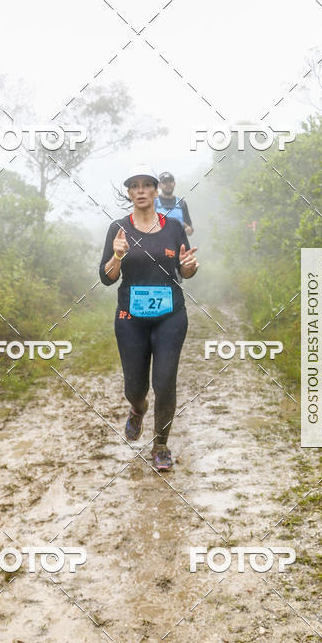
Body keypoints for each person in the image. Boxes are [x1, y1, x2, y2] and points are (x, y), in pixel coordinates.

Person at [99, 165, 199, 471]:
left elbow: (185, 271)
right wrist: (117, 256)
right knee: (136, 388)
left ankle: (160, 446)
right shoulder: (118, 228)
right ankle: (137, 409)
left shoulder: (172, 227)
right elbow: (106, 278)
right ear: (129, 194)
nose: (141, 190)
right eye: (135, 186)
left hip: (171, 315)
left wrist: (189, 266)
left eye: (147, 185)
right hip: (131, 317)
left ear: (156, 191)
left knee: (165, 381)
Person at [156, 171, 194, 236]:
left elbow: (190, 228)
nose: (168, 184)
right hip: (159, 244)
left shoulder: (182, 203)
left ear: (174, 184)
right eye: (165, 182)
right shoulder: (153, 204)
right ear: (159, 185)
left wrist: (189, 230)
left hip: (179, 244)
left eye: (170, 182)